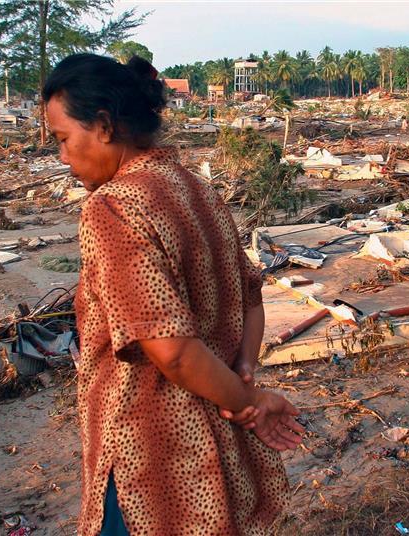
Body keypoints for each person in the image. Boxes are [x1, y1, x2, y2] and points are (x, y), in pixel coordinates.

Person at [43, 53, 304, 536]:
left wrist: (253, 402)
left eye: (63, 139)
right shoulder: (194, 188)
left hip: (152, 450)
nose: (62, 157)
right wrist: (243, 374)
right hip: (218, 440)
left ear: (102, 126)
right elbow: (252, 295)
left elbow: (174, 351)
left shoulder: (114, 208)